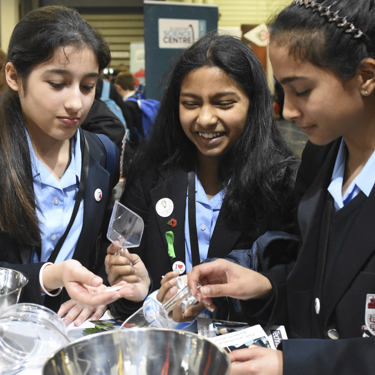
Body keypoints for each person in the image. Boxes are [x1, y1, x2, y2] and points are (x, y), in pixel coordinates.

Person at [187, 0, 375, 374]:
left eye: (302, 91)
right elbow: (320, 275)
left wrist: (297, 363)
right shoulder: (322, 157)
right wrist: (266, 284)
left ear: (366, 76)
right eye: (281, 91)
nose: (288, 111)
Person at [105, 31, 300, 320]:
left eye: (224, 103)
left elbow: (290, 294)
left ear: (253, 105)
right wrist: (131, 289)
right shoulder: (149, 175)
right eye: (191, 103)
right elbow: (127, 302)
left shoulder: (283, 183)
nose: (205, 119)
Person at [0, 5, 141, 327]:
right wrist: (49, 277)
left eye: (87, 87)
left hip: (71, 333)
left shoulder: (100, 153)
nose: (76, 103)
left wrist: (105, 285)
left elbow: (98, 249)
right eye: (57, 84)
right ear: (13, 76)